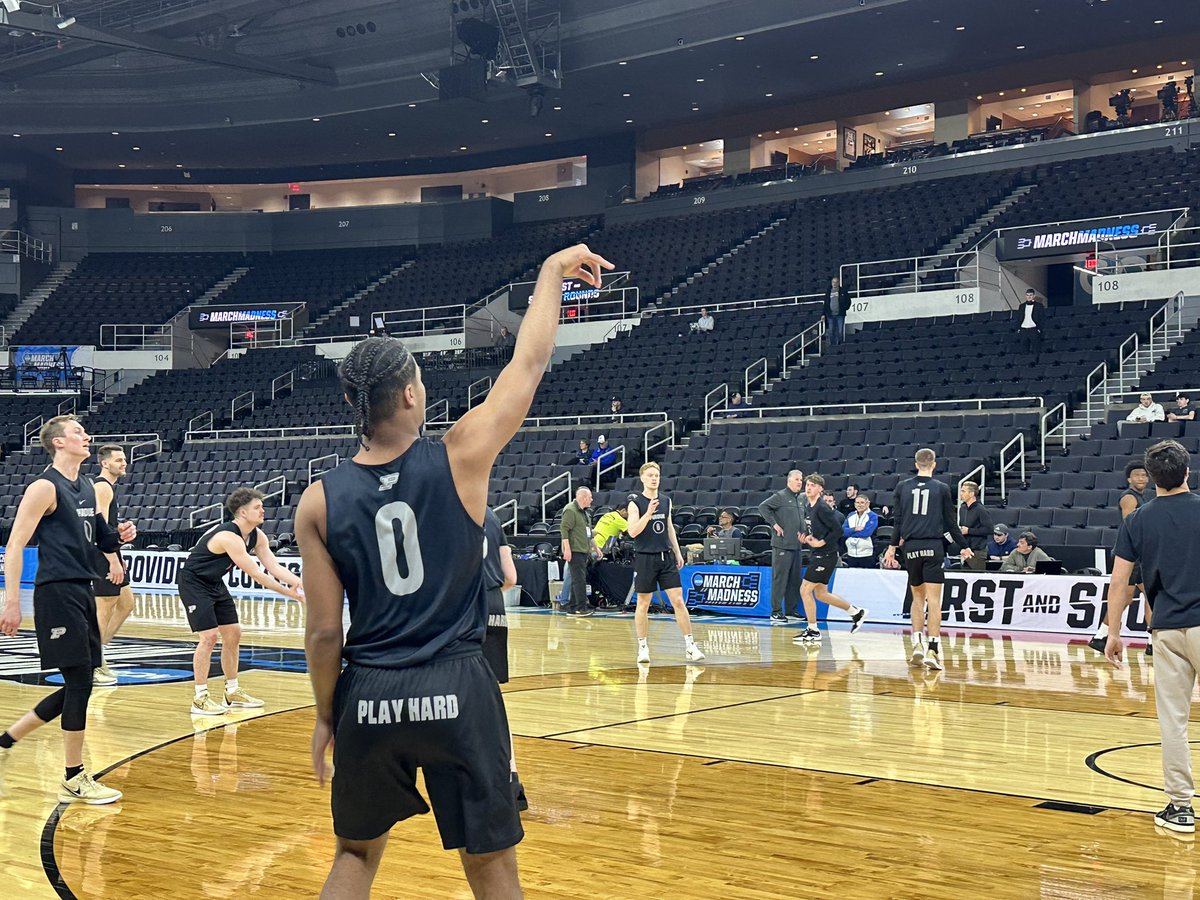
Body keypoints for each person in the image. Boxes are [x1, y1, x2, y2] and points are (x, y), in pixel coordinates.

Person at [296, 243, 613, 897]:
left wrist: (328, 715)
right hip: (458, 687)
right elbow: (529, 363)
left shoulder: (318, 501)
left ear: (355, 403)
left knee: (354, 856)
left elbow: (325, 633)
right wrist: (549, 273)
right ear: (411, 393)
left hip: (370, 690)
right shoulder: (460, 456)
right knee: (490, 864)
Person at [0, 416, 135, 805]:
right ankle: (74, 776)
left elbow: (101, 538)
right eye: (78, 432)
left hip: (82, 589)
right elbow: (15, 545)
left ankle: (8, 738)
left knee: (82, 680)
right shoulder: (44, 487)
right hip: (56, 592)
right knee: (79, 681)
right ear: (58, 442)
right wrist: (12, 601)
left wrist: (121, 536)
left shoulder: (88, 487)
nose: (86, 436)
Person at [1103, 439, 1200, 835]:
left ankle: (1180, 808)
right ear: (1187, 472)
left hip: (1167, 628)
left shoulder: (1137, 520)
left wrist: (1113, 632)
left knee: (1173, 722)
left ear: (1152, 478)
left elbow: (1119, 583)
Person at [179, 488, 304, 715]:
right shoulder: (228, 537)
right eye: (258, 507)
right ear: (243, 513)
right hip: (193, 583)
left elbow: (273, 566)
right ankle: (200, 698)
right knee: (209, 637)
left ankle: (232, 691)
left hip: (214, 583)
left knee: (233, 633)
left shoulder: (258, 535)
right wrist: (290, 593)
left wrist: (298, 582)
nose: (263, 510)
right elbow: (256, 574)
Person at [882, 448, 973, 671]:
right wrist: (964, 546)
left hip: (911, 548)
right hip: (933, 547)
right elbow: (950, 523)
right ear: (934, 464)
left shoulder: (902, 486)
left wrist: (892, 547)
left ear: (916, 464)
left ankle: (917, 644)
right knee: (934, 601)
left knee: (917, 598)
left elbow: (897, 522)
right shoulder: (942, 488)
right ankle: (933, 649)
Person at [627, 461, 705, 664]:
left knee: (678, 600)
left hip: (665, 557)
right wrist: (648, 514)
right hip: (645, 557)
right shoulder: (635, 502)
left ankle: (690, 646)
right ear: (642, 478)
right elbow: (633, 531)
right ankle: (642, 647)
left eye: (657, 475)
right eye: (650, 475)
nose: (654, 478)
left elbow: (669, 527)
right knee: (643, 603)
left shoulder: (665, 500)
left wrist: (678, 552)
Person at [482, 507, 526, 811]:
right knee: (493, 701)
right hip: (495, 608)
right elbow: (510, 577)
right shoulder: (493, 517)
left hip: (463, 610)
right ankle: (512, 780)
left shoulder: (442, 506)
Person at [1091, 461, 1154, 656]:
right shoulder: (1129, 497)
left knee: (1134, 598)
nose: (1141, 478)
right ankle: (1152, 642)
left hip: (1137, 556)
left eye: (1144, 475)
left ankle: (1101, 637)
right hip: (1132, 556)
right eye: (1137, 475)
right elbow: (1130, 525)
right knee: (1146, 596)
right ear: (1129, 479)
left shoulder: (1142, 497)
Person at [795, 474, 867, 643]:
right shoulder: (809, 506)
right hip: (819, 554)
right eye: (807, 484)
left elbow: (838, 530)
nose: (809, 487)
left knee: (805, 590)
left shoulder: (822, 507)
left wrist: (821, 542)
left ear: (820, 489)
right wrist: (808, 538)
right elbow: (819, 529)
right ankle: (856, 612)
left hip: (826, 555)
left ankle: (813, 630)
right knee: (821, 594)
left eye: (813, 485)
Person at [90, 443, 137, 686]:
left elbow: (108, 528)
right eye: (118, 460)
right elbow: (98, 530)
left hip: (110, 552)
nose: (124, 463)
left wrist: (117, 554)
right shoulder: (102, 487)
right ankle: (93, 663)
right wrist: (112, 560)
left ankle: (97, 650)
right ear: (104, 463)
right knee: (105, 607)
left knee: (126, 603)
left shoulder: (108, 487)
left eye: (124, 459)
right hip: (101, 554)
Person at [759, 470, 807, 625]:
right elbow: (763, 507)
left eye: (801, 480)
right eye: (797, 479)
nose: (800, 482)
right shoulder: (780, 496)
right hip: (782, 545)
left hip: (797, 545)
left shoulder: (800, 498)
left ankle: (791, 610)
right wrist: (774, 524)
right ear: (789, 481)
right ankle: (776, 611)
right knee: (780, 579)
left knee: (794, 580)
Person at [560, 486, 596, 617]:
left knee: (577, 579)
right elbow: (564, 530)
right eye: (590, 497)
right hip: (575, 550)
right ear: (583, 498)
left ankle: (572, 606)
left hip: (583, 550)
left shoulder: (585, 513)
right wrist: (567, 550)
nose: (592, 499)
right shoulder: (570, 510)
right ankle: (581, 607)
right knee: (579, 580)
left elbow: (588, 533)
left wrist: (596, 548)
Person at [958, 481, 993, 572]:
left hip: (977, 551)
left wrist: (969, 531)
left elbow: (989, 529)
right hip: (965, 550)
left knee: (977, 576)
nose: (960, 493)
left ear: (971, 494)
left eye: (963, 491)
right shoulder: (962, 508)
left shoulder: (981, 510)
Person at [842, 493, 879, 568]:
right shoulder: (851, 515)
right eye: (857, 502)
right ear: (855, 504)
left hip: (866, 554)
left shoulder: (873, 516)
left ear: (867, 504)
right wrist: (854, 529)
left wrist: (850, 532)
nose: (859, 505)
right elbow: (842, 531)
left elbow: (866, 533)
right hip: (851, 553)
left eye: (862, 502)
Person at [1016, 288, 1045, 361]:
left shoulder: (1039, 306)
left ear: (1034, 296)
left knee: (1036, 349)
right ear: (1025, 296)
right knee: (1023, 349)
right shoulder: (1021, 306)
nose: (1029, 297)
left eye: (1030, 295)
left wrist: (1039, 329)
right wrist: (1018, 328)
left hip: (1033, 330)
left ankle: (1035, 363)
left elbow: (1042, 318)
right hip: (1023, 330)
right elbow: (1019, 318)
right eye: (1027, 295)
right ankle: (1024, 363)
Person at [824, 274, 849, 346]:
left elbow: (848, 301)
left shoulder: (843, 291)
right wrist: (823, 314)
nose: (834, 284)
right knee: (831, 331)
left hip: (840, 314)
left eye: (836, 282)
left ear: (838, 283)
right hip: (830, 315)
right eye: (833, 282)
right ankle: (833, 346)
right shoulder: (828, 292)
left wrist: (844, 308)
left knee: (840, 331)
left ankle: (840, 345)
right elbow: (825, 303)